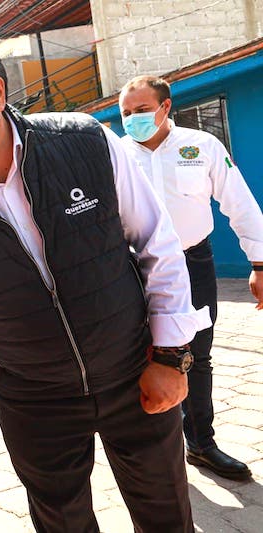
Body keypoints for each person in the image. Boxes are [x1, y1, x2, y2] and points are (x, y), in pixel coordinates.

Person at [0, 29, 213, 531]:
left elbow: (157, 242)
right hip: (34, 399)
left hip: (133, 371)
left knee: (165, 514)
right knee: (61, 521)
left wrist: (170, 355)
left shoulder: (84, 142)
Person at [119, 75, 263, 480]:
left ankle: (200, 443)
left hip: (192, 264)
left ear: (165, 108)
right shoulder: (115, 154)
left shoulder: (201, 146)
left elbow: (240, 203)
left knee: (195, 357)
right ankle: (149, 452)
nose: (132, 120)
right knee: (134, 358)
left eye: (141, 111)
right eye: (126, 113)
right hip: (132, 268)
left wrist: (260, 264)